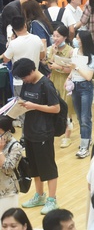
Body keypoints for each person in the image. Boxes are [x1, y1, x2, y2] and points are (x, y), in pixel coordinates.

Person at [12, 58, 60, 214]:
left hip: (43, 132)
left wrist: (34, 106)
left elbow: (56, 108)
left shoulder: (46, 85)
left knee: (48, 167)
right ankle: (39, 195)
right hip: (30, 130)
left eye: (24, 77)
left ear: (32, 71)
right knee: (34, 167)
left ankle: (52, 199)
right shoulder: (28, 83)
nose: (24, 80)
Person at [68, 30, 94, 158]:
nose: (76, 39)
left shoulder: (92, 56)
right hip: (75, 86)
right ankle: (87, 138)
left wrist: (76, 67)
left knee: (85, 118)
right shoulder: (74, 52)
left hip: (85, 87)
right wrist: (68, 78)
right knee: (80, 117)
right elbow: (72, 70)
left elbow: (88, 77)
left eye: (78, 38)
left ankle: (84, 146)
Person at [1, 16, 45, 95]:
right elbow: (42, 56)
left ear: (13, 29)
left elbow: (5, 59)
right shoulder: (37, 39)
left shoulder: (13, 43)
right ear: (25, 25)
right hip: (35, 78)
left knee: (20, 105)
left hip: (19, 81)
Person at [0, 116, 23, 217]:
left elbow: (8, 169)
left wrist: (0, 151)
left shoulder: (15, 147)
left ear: (8, 131)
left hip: (7, 193)